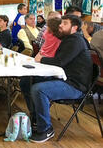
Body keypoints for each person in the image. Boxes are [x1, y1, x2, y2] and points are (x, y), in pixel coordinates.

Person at [24, 15, 92, 143]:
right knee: (27, 81)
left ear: (74, 27)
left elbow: (60, 62)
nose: (60, 25)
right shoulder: (68, 39)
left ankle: (46, 129)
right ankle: (36, 119)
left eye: (64, 23)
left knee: (38, 89)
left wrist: (41, 59)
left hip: (75, 86)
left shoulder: (75, 41)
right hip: (65, 79)